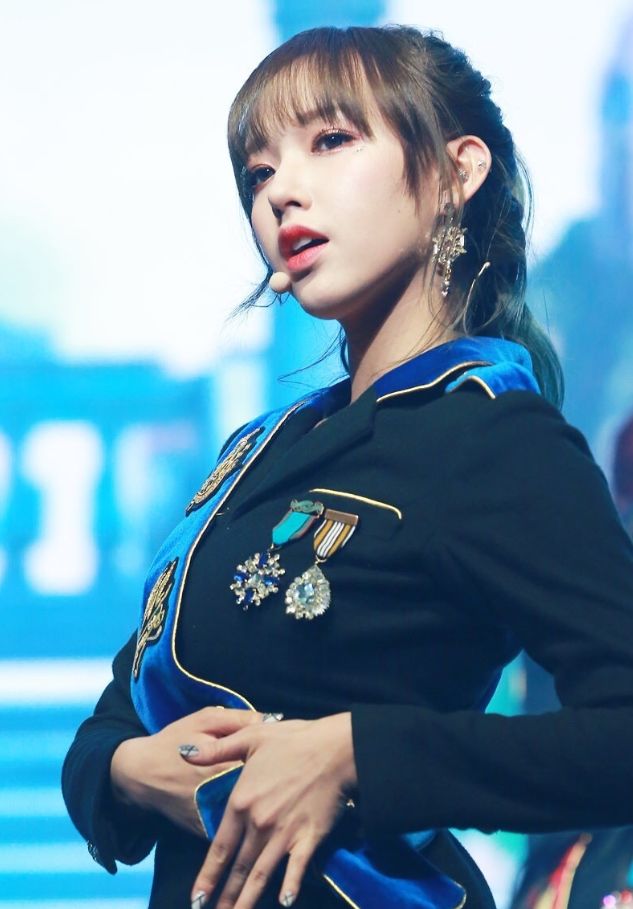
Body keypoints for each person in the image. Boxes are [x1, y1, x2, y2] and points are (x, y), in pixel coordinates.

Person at [62, 24, 633, 909]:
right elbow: (117, 710)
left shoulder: (491, 439)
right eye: (258, 172)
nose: (281, 191)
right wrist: (131, 773)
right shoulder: (255, 452)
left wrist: (357, 755)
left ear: (454, 172)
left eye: (330, 141)